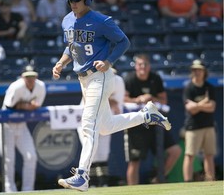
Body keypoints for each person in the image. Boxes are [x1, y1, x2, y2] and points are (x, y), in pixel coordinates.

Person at [52, 0, 171, 192]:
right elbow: (72, 47)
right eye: (70, 0)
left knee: (88, 124)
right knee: (105, 126)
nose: (73, 3)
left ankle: (82, 175)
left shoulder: (101, 21)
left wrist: (109, 61)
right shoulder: (67, 20)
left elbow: (123, 42)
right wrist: (61, 62)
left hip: (101, 76)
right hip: (83, 79)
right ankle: (146, 116)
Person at [124, 54, 181, 185]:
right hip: (136, 125)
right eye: (139, 64)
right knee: (134, 161)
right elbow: (123, 99)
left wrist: (151, 98)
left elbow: (164, 100)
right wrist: (138, 99)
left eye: (145, 64)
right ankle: (132, 192)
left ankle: (157, 180)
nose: (142, 67)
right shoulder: (129, 79)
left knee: (175, 151)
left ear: (149, 66)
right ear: (136, 67)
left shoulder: (156, 78)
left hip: (156, 124)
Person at [0, 65, 46, 192]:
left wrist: (23, 105)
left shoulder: (40, 87)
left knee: (31, 156)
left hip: (21, 125)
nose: (30, 79)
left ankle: (28, 190)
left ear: (36, 77)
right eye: (27, 77)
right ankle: (10, 191)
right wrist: (27, 106)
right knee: (9, 160)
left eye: (32, 76)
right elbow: (10, 108)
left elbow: (37, 106)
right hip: (6, 125)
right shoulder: (16, 87)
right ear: (22, 77)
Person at [77, 68, 125, 187]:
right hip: (87, 120)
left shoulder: (118, 82)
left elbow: (118, 107)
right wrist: (109, 100)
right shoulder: (92, 81)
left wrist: (109, 100)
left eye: (109, 74)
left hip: (104, 120)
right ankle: (91, 182)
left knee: (103, 153)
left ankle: (103, 182)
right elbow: (90, 100)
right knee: (91, 152)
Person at [182, 59, 217, 182]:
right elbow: (190, 110)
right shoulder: (189, 88)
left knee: (209, 155)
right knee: (190, 155)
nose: (197, 72)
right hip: (193, 127)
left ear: (204, 72)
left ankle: (210, 180)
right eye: (194, 70)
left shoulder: (209, 87)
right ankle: (187, 182)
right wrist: (203, 103)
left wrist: (196, 105)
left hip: (208, 126)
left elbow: (212, 107)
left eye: (199, 70)